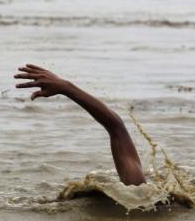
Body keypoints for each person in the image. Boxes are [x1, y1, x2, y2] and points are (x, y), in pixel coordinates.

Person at [14, 64, 146, 186]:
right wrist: (66, 88)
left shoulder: (139, 194)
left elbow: (116, 127)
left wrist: (66, 87)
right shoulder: (140, 196)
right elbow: (116, 128)